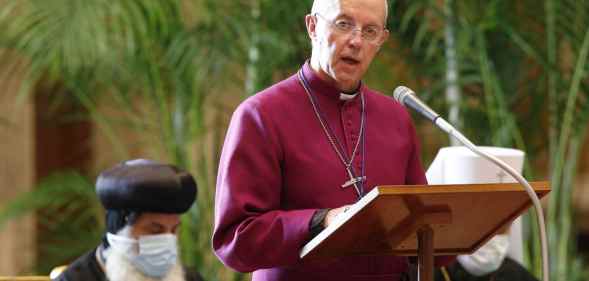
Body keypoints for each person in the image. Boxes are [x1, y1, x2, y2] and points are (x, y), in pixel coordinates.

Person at [213, 0, 452, 280]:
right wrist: (321, 221)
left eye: (370, 31)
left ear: (382, 40)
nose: (356, 41)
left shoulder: (395, 118)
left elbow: (418, 226)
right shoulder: (260, 115)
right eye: (343, 24)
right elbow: (236, 239)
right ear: (312, 26)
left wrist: (467, 222)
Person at [55, 159, 204, 281]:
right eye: (155, 230)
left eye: (174, 230)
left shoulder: (190, 278)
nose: (167, 240)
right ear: (118, 230)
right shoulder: (73, 279)